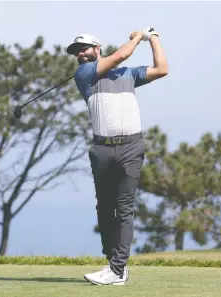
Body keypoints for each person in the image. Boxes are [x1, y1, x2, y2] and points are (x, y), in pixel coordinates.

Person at [66, 28, 168, 285]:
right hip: (101, 150)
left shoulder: (129, 74)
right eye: (77, 52)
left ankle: (117, 268)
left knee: (124, 209)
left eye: (85, 49)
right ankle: (115, 263)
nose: (80, 54)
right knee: (104, 208)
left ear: (97, 48)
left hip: (131, 148)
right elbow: (121, 55)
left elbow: (162, 68)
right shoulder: (85, 74)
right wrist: (137, 37)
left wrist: (153, 36)